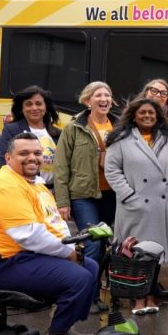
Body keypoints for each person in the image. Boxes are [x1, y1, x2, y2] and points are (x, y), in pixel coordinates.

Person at [0, 132, 99, 335]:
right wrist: (68, 253)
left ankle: (64, 325)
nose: (32, 157)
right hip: (2, 263)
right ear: (8, 157)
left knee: (90, 266)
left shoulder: (36, 185)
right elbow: (29, 236)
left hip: (27, 257)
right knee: (79, 278)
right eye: (24, 153)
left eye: (37, 153)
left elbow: (55, 224)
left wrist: (74, 247)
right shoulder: (5, 185)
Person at [104, 98, 168, 316]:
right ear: (134, 115)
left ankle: (150, 295)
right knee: (135, 253)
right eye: (142, 113)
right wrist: (129, 195)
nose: (147, 116)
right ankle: (137, 297)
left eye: (151, 113)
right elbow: (112, 171)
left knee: (155, 255)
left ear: (158, 116)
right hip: (134, 205)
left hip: (161, 205)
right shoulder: (120, 139)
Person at [54, 81, 118, 313]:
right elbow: (61, 166)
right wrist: (62, 201)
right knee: (92, 244)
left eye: (107, 95)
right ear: (87, 100)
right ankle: (87, 296)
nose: (104, 99)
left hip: (112, 194)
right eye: (98, 95)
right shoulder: (74, 127)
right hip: (83, 195)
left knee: (104, 245)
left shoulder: (119, 126)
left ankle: (94, 289)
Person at [0, 86, 62, 186]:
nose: (34, 108)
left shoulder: (58, 134)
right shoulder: (12, 130)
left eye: (39, 104)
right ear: (22, 108)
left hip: (53, 193)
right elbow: (0, 166)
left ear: (46, 107)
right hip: (24, 190)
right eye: (29, 104)